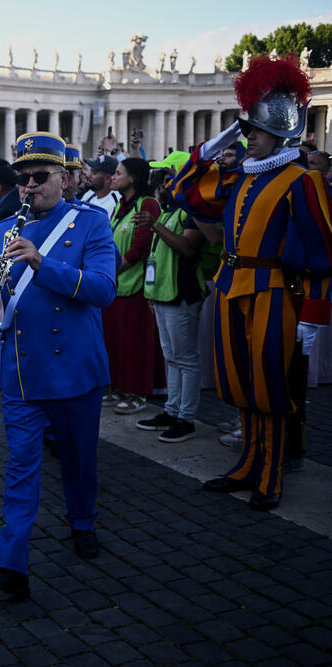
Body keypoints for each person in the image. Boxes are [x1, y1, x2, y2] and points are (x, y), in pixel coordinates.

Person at [171, 56, 332, 511]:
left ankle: (270, 472)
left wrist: (314, 317)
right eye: (244, 130)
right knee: (240, 383)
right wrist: (214, 143)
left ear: (280, 131)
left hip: (273, 294)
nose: (247, 136)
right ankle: (247, 462)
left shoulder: (303, 181)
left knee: (269, 387)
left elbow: (323, 253)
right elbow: (183, 190)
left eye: (254, 130)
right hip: (228, 287)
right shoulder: (242, 175)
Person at [0, 133, 117, 599]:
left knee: (78, 460)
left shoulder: (91, 224)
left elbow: (103, 289)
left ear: (66, 179)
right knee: (20, 467)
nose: (29, 186)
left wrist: (41, 262)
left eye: (39, 177)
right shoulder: (0, 230)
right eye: (23, 178)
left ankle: (82, 521)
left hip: (75, 367)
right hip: (24, 370)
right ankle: (12, 565)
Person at [134, 164, 209, 442]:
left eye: (167, 180)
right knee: (172, 358)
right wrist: (151, 293)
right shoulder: (168, 212)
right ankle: (172, 411)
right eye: (161, 181)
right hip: (164, 294)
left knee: (186, 359)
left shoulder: (192, 212)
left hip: (182, 293)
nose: (161, 186)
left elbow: (188, 248)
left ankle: (186, 418)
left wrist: (154, 225)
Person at [102, 158, 161, 414]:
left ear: (133, 177)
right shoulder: (119, 206)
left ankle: (137, 392)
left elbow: (140, 247)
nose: (113, 177)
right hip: (117, 287)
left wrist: (112, 271)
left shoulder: (146, 204)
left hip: (135, 286)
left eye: (118, 173)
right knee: (116, 341)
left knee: (135, 343)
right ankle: (119, 387)